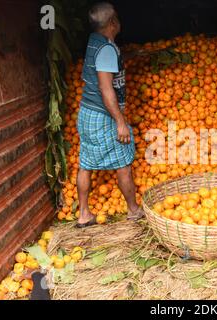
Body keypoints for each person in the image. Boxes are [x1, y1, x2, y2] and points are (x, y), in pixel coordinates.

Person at [76, 2, 144, 228]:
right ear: (113, 22)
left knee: (85, 164)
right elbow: (106, 90)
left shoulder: (95, 42)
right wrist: (120, 122)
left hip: (87, 112)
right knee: (123, 162)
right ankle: (133, 210)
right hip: (103, 114)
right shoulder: (106, 50)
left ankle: (84, 213)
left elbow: (103, 68)